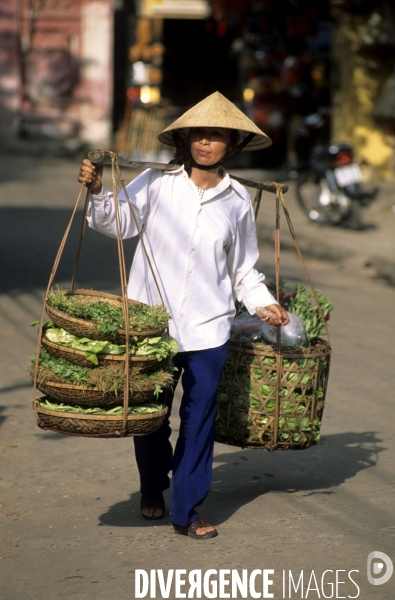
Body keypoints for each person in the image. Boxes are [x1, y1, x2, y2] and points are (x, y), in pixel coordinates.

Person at [78, 92, 290, 539]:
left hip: (208, 328)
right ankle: (153, 487)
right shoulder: (157, 183)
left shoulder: (236, 202)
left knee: (200, 420)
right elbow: (118, 222)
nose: (206, 143)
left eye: (216, 136)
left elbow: (242, 270)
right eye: (199, 134)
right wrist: (98, 191)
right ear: (187, 139)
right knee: (151, 417)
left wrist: (263, 303)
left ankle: (188, 509)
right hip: (151, 325)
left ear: (230, 143)